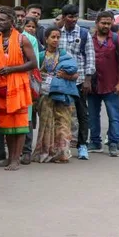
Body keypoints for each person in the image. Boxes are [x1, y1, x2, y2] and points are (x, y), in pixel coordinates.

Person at [0, 6, 36, 171]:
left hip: (18, 85)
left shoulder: (23, 39)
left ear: (12, 21)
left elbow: (33, 63)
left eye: (3, 20)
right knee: (7, 125)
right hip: (1, 86)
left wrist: (11, 69)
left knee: (19, 124)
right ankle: (9, 158)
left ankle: (16, 159)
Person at [56, 4, 95, 160]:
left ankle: (82, 145)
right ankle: (60, 145)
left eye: (75, 16)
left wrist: (88, 79)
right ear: (64, 17)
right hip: (60, 80)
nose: (72, 19)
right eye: (69, 16)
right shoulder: (57, 33)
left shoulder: (84, 33)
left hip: (78, 81)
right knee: (59, 113)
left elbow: (90, 57)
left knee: (81, 114)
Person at [34, 26, 78, 163]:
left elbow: (75, 75)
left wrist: (65, 75)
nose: (56, 40)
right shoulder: (40, 55)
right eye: (53, 37)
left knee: (63, 123)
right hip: (45, 95)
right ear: (46, 39)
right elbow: (35, 74)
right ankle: (46, 151)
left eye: (58, 37)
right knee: (47, 124)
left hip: (62, 93)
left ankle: (62, 153)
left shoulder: (65, 56)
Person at [87, 11, 119, 157]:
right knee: (92, 115)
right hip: (92, 85)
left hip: (112, 85)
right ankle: (95, 142)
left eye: (109, 23)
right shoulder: (89, 39)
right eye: (103, 23)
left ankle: (113, 143)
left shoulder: (117, 40)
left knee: (114, 116)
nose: (106, 26)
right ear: (97, 23)